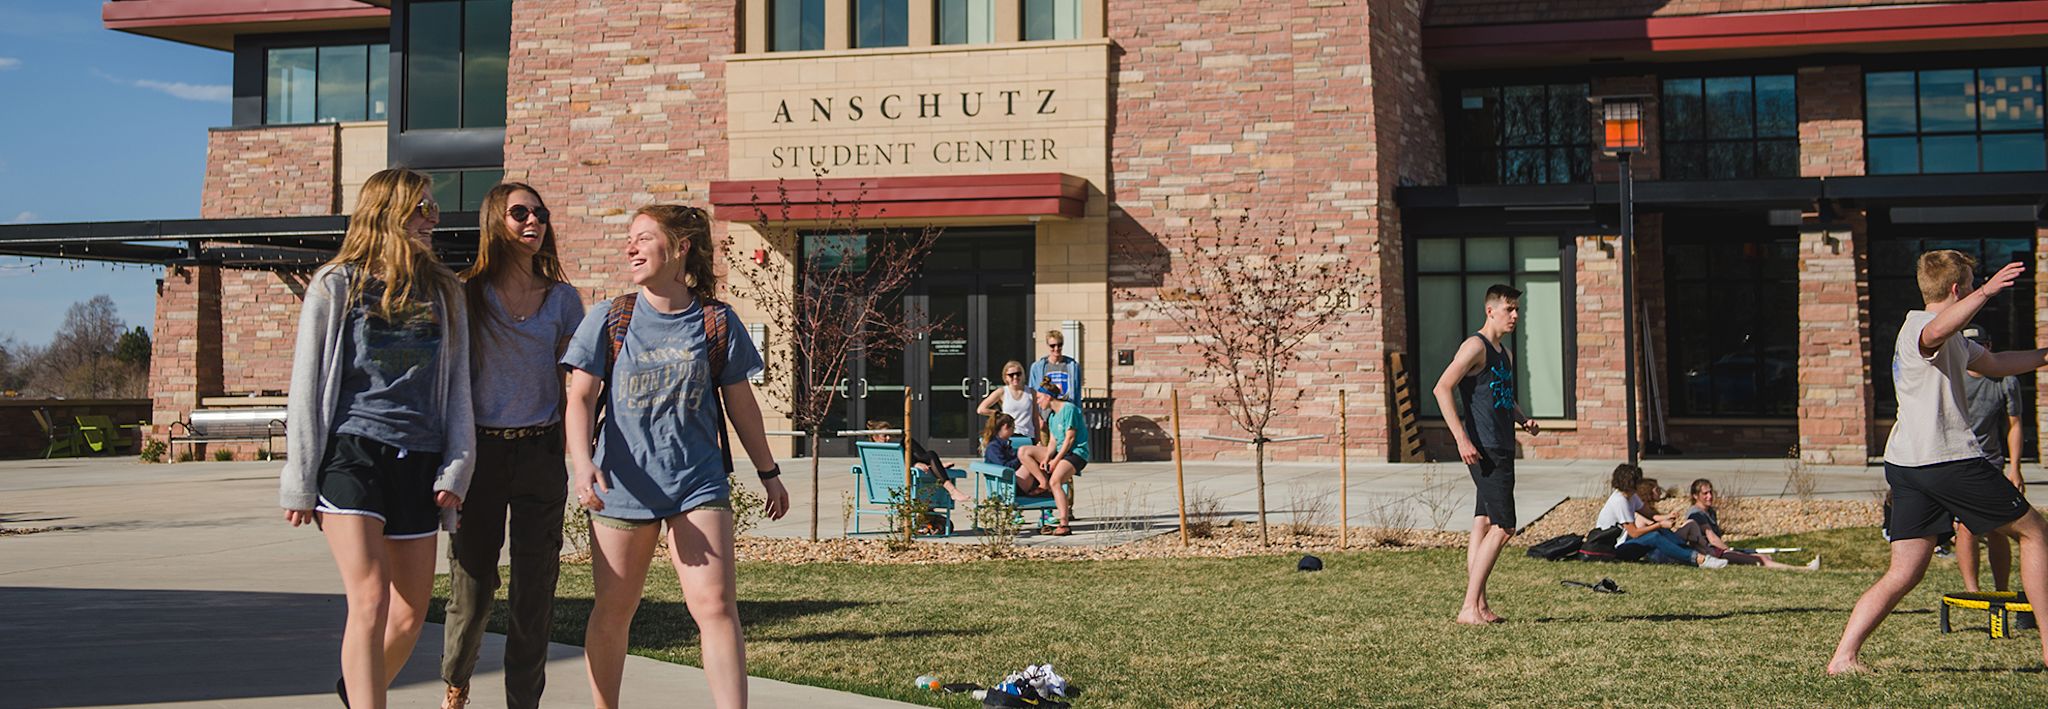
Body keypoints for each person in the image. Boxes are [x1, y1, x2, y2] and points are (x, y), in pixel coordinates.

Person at [561, 204, 791, 708]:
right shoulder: (610, 318)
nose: (632, 248)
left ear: (679, 247)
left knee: (715, 605)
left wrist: (769, 473)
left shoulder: (716, 321)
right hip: (622, 486)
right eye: (631, 239)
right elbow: (579, 397)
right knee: (614, 610)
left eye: (644, 238)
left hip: (698, 482)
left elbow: (742, 407)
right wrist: (583, 463)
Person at [280, 168, 476, 709]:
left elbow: (458, 387)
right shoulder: (336, 283)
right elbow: (307, 382)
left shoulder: (444, 291)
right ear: (386, 212)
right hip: (353, 452)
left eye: (433, 209)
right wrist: (298, 479)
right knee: (369, 599)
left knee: (411, 613)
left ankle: (356, 690)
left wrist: (457, 468)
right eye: (422, 208)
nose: (433, 218)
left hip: (420, 458)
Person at [1829, 250, 2048, 675]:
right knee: (2035, 533)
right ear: (1957, 288)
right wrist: (1988, 290)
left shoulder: (1955, 340)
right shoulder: (1920, 330)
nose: (1975, 287)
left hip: (1907, 464)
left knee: (1905, 571)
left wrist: (2045, 354)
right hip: (1946, 460)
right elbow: (1935, 332)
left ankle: (1843, 657)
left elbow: (1998, 364)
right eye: (1971, 283)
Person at [439, 182, 585, 709]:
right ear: (494, 222)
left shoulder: (564, 299)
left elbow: (579, 381)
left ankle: (524, 701)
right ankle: (456, 680)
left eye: (540, 213)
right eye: (520, 212)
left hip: (541, 454)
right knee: (473, 588)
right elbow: (447, 380)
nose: (533, 221)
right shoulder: (466, 294)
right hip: (480, 454)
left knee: (534, 590)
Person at [1431, 283, 1541, 625]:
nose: (1515, 316)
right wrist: (1461, 438)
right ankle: (1468, 608)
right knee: (1505, 526)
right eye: (1509, 309)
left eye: (1517, 310)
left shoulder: (1502, 354)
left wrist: (1522, 419)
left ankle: (1480, 606)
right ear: (1490, 310)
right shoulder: (1474, 346)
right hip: (1486, 448)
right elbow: (1442, 387)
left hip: (1503, 444)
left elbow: (1502, 397)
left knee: (1483, 522)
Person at [1952, 326, 2025, 593]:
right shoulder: (1952, 377)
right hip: (1957, 460)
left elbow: (2014, 425)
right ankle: (1973, 593)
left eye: (1979, 347)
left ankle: (2000, 591)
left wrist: (2015, 469)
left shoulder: (2005, 380)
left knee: (1998, 527)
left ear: (1989, 346)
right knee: (1967, 526)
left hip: (1991, 462)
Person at [1592, 465, 1727, 569]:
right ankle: (1699, 560)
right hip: (1614, 550)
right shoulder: (1620, 501)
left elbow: (1650, 514)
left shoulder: (1631, 497)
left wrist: (1666, 517)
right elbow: (1634, 532)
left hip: (1623, 542)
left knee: (1659, 531)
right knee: (1654, 536)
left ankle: (1694, 553)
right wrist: (1659, 525)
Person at [1678, 478, 1818, 572]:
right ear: (1695, 496)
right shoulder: (1696, 513)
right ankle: (1803, 569)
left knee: (1766, 557)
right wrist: (1729, 550)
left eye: (1711, 492)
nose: (1710, 496)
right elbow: (1712, 538)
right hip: (1712, 554)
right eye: (1705, 493)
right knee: (1761, 559)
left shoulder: (1710, 511)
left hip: (1718, 551)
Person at [1016, 379, 1088, 536]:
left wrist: (1055, 461)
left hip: (1076, 453)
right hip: (1060, 452)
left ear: (1048, 397)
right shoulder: (1052, 417)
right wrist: (1048, 458)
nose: (1038, 402)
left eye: (1039, 398)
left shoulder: (1068, 409)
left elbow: (1069, 439)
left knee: (1056, 482)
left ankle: (1064, 524)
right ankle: (1043, 482)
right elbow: (1053, 441)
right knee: (1024, 451)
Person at [863, 418, 972, 506]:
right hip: (896, 483)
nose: (888, 438)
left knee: (914, 444)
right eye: (884, 436)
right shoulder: (880, 451)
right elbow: (891, 468)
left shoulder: (874, 450)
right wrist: (914, 465)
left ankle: (934, 465)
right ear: (875, 437)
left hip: (901, 474)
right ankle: (950, 487)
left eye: (890, 435)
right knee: (925, 453)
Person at [977, 359, 1040, 443]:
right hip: (1008, 436)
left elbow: (1035, 419)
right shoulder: (1002, 391)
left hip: (1027, 435)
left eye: (1018, 374)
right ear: (1005, 377)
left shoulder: (1031, 392)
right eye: (1011, 375)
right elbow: (981, 409)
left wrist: (1038, 439)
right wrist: (1001, 415)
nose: (1015, 377)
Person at [1027, 330, 1082, 403]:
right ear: (1047, 345)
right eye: (1052, 345)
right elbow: (1033, 392)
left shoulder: (1073, 366)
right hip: (1045, 410)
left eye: (1059, 345)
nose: (1056, 348)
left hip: (1066, 408)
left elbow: (1077, 393)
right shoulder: (1037, 367)